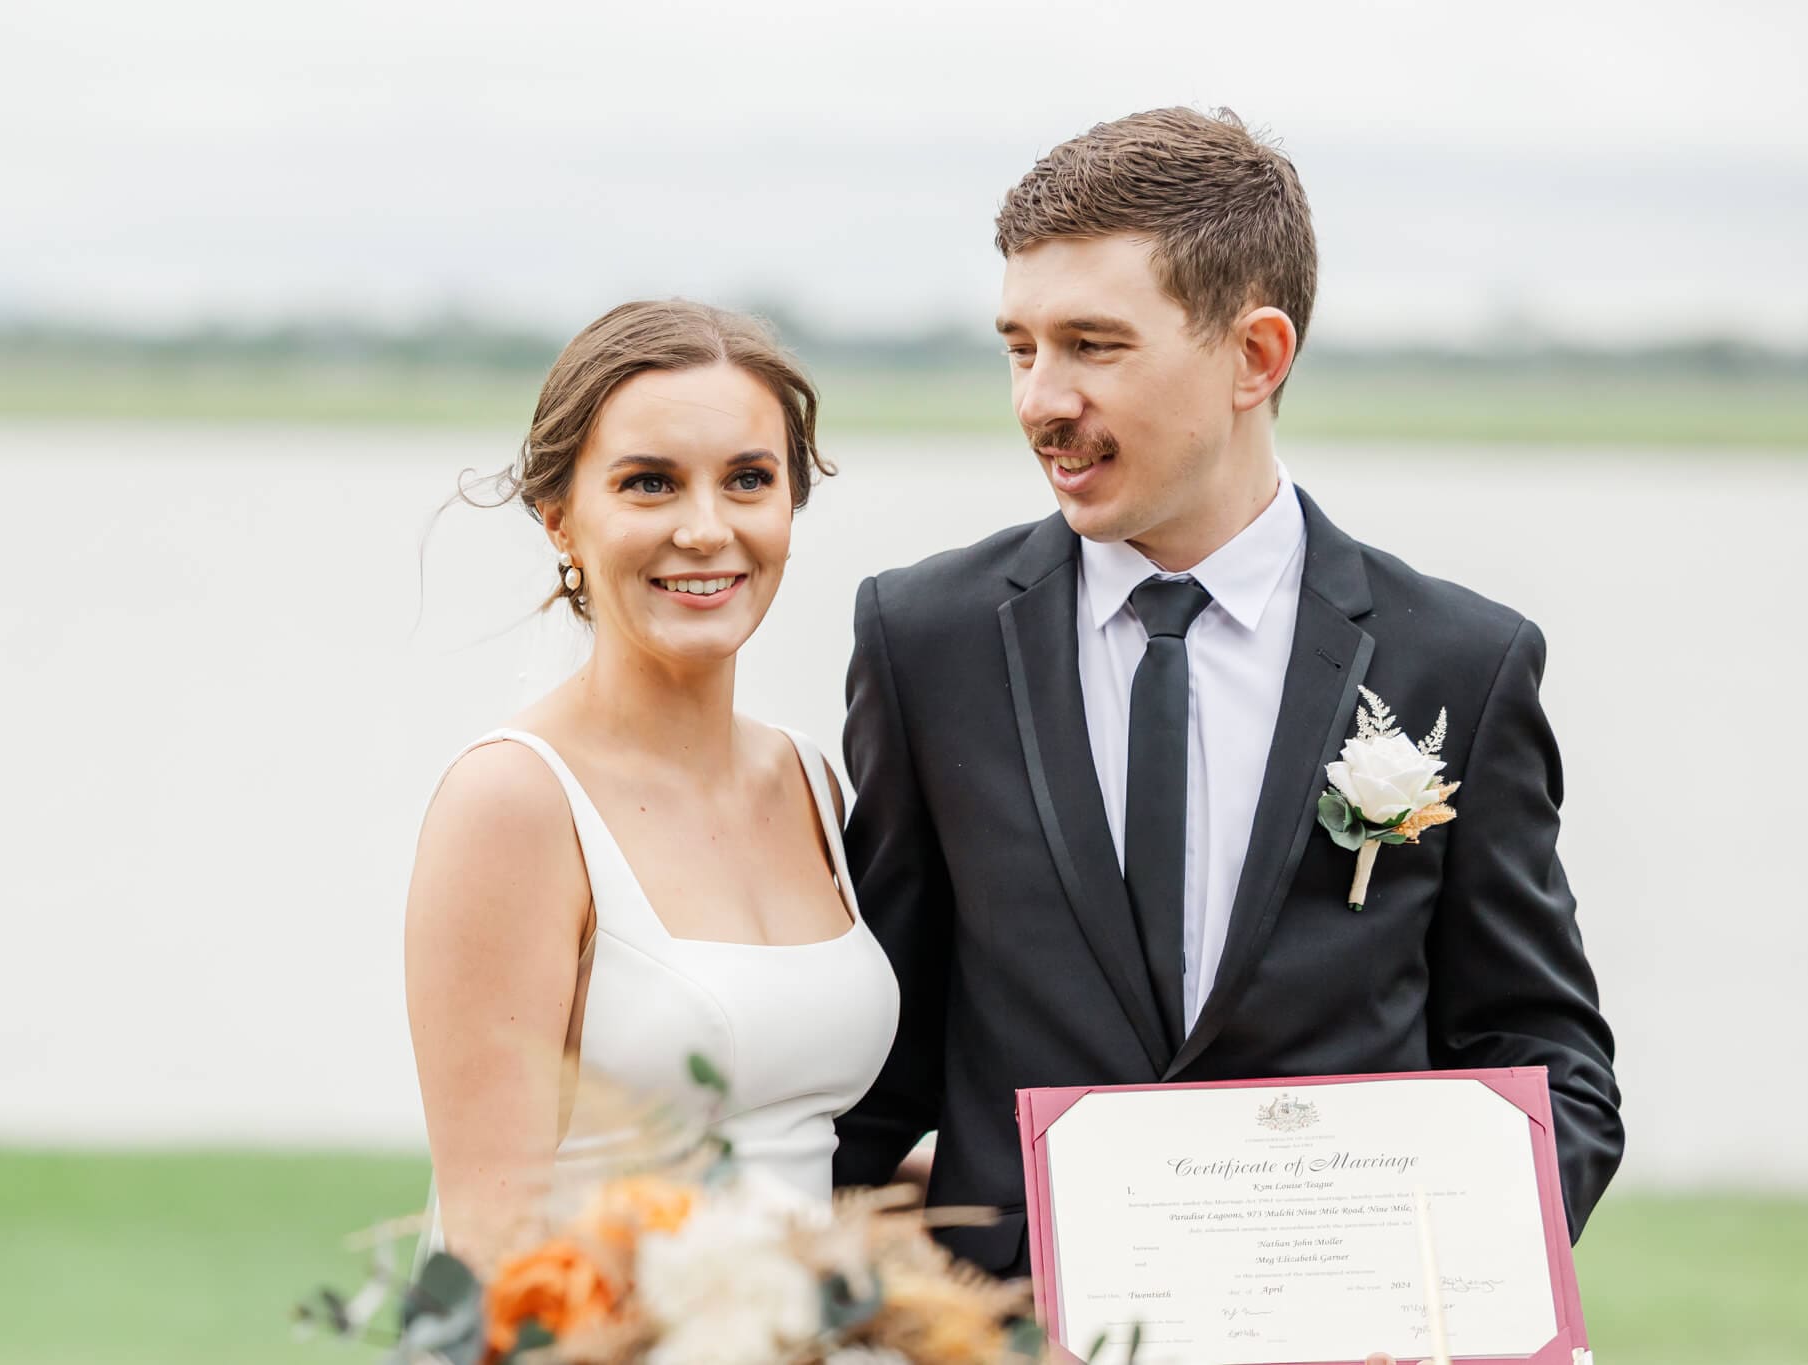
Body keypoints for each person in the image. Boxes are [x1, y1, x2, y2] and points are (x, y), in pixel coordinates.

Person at [834, 107, 1624, 1277]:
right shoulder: (925, 640)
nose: (1038, 401)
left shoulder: (1458, 660)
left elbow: (1547, 1064)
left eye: (1092, 346)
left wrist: (1418, 1280)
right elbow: (872, 1070)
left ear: (1255, 356)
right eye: (1018, 346)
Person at [405, 300, 899, 1267]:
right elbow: (492, 1249)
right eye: (650, 484)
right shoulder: (513, 804)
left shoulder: (814, 782)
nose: (707, 529)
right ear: (560, 518)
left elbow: (800, 1157)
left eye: (749, 480)